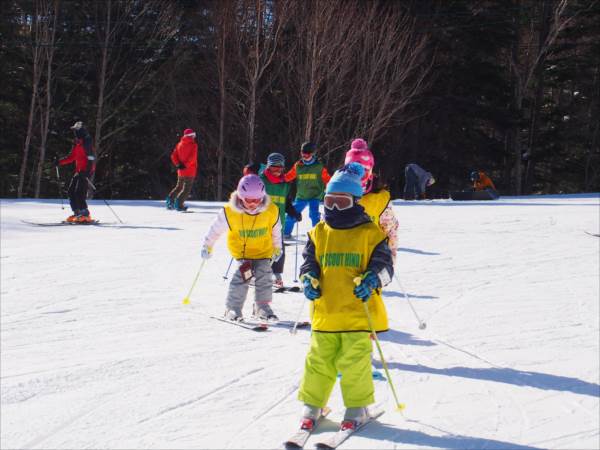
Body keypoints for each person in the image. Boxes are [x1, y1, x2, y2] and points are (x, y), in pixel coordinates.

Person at [296, 162, 394, 432]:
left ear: (355, 201)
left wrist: (374, 278)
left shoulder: (370, 233)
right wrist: (308, 279)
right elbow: (308, 263)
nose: (334, 208)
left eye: (341, 202)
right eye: (330, 201)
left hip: (357, 315)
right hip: (325, 313)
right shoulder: (318, 233)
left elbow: (387, 267)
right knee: (318, 362)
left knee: (355, 363)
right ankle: (313, 406)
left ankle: (355, 407)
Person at [200, 174, 282, 321]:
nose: (253, 204)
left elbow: (276, 231)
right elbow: (215, 229)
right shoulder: (230, 212)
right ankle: (233, 308)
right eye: (249, 200)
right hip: (243, 254)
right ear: (241, 196)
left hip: (264, 251)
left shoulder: (271, 210)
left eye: (257, 200)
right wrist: (208, 245)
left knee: (264, 278)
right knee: (244, 277)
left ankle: (262, 307)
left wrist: (277, 248)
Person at [345, 138, 399, 262]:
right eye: (352, 171)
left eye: (363, 171)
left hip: (371, 264)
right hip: (344, 265)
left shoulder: (380, 199)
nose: (358, 177)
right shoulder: (338, 196)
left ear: (369, 171)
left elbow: (391, 232)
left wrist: (387, 265)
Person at [260, 153, 302, 289]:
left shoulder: (285, 183)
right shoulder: (261, 180)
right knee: (261, 249)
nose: (277, 170)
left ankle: (276, 274)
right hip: (261, 223)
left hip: (279, 223)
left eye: (280, 167)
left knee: (279, 250)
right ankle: (257, 274)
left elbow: (286, 202)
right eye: (274, 167)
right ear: (268, 166)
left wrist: (294, 212)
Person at [283, 141, 331, 238]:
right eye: (303, 153)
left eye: (307, 154)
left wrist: (331, 188)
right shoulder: (298, 166)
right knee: (291, 215)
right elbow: (288, 176)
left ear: (312, 154)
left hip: (315, 195)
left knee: (314, 215)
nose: (305, 156)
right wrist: (279, 179)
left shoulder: (319, 166)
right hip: (301, 196)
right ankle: (286, 234)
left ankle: (318, 235)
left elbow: (327, 179)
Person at [56, 121, 96, 223]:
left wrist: (87, 172)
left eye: (76, 130)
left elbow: (91, 158)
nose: (74, 132)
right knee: (71, 191)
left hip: (86, 171)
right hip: (79, 170)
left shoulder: (87, 142)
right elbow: (72, 157)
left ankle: (85, 214)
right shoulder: (77, 143)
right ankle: (77, 212)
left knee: (79, 192)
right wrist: (59, 162)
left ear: (80, 131)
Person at [167, 128, 198, 211]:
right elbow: (192, 158)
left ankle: (170, 201)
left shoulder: (179, 144)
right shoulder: (193, 145)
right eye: (193, 135)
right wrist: (185, 165)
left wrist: (178, 164)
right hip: (190, 170)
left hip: (181, 170)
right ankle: (179, 204)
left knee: (179, 187)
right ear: (191, 136)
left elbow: (173, 155)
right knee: (186, 189)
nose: (194, 137)